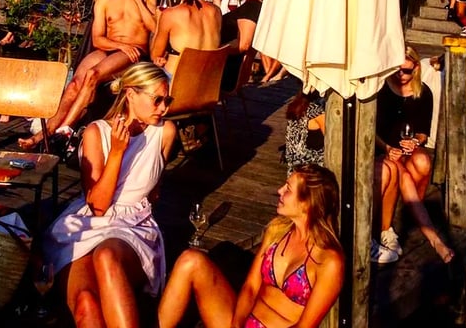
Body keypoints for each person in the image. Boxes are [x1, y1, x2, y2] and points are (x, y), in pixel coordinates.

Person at [44, 62, 177, 327]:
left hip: (132, 225)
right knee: (86, 304)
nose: (164, 107)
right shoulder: (97, 132)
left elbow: (153, 192)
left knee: (106, 255)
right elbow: (98, 207)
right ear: (130, 94)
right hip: (89, 221)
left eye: (167, 99)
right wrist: (117, 151)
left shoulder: (164, 132)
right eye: (157, 99)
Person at [158, 164, 344, 328]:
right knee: (190, 260)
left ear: (307, 204)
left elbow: (305, 326)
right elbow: (250, 287)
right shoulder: (277, 230)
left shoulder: (328, 262)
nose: (279, 191)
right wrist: (237, 324)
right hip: (246, 321)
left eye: (288, 189)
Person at [19, 0, 157, 151]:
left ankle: (66, 129)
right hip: (113, 49)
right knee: (75, 83)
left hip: (135, 53)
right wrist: (120, 44)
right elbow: (98, 39)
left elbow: (155, 28)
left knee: (92, 74)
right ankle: (45, 133)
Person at [372, 47, 454, 264]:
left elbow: (423, 134)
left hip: (403, 150)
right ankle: (432, 239)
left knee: (422, 160)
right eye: (397, 69)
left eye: (406, 71)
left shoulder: (422, 92)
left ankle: (407, 211)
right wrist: (388, 148)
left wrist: (415, 142)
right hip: (382, 149)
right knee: (398, 171)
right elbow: (370, 129)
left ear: (416, 68)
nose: (401, 75)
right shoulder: (381, 89)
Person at [150, 0, 222, 78]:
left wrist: (159, 20)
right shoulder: (216, 12)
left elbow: (155, 55)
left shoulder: (170, 14)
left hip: (179, 82)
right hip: (209, 81)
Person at [219, 0, 266, 91]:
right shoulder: (255, 7)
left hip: (223, 74)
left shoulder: (251, 8)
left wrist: (214, 51)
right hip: (228, 71)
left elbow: (244, 44)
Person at [284, 90, 325, 174]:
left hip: (294, 166)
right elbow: (334, 141)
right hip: (312, 169)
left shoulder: (296, 106)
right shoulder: (318, 112)